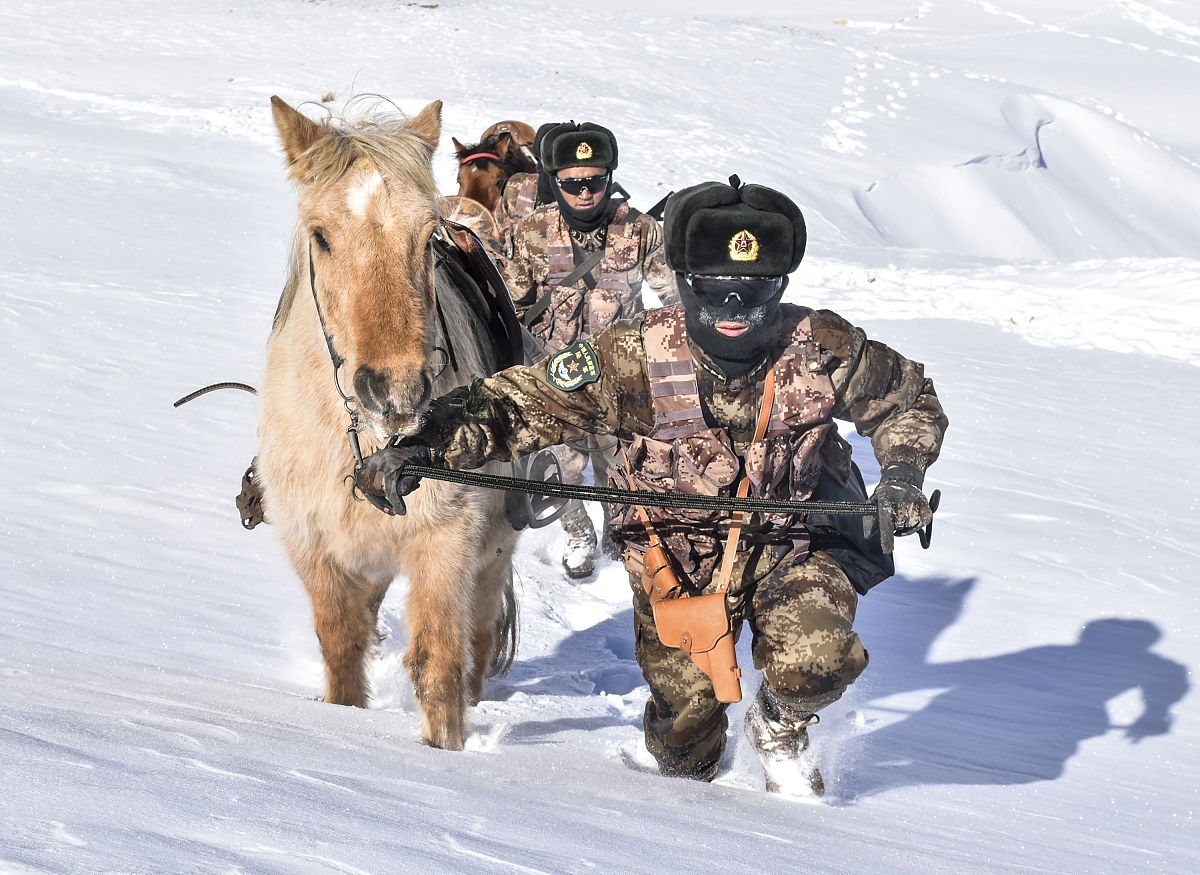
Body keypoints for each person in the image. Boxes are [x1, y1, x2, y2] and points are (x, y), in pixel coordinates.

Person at [357, 178, 948, 795]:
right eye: (714, 293)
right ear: (686, 283)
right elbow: (518, 404)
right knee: (685, 745)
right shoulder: (627, 353)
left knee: (817, 659)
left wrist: (903, 474)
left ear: (780, 287)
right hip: (673, 561)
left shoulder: (824, 347)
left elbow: (907, 401)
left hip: (792, 546)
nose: (734, 310)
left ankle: (779, 723)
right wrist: (424, 445)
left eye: (755, 292)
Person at [502, 121, 678, 578]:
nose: (584, 193)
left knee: (619, 467)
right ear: (555, 183)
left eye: (595, 182)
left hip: (621, 380)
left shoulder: (639, 231)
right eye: (573, 184)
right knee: (555, 469)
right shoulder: (534, 232)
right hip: (553, 375)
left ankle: (616, 533)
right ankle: (579, 531)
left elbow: (674, 298)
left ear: (609, 179)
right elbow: (514, 302)